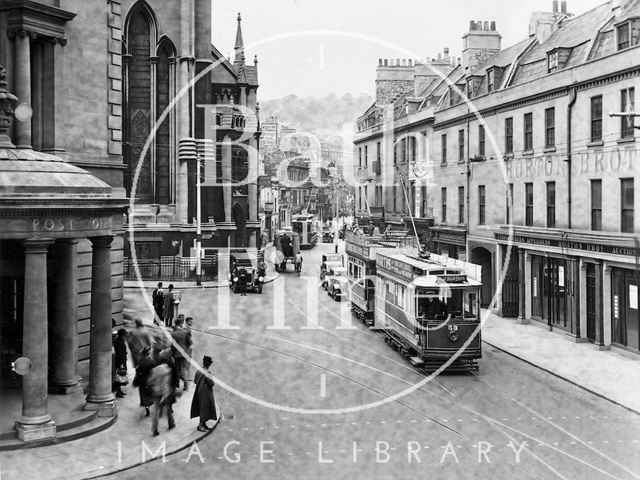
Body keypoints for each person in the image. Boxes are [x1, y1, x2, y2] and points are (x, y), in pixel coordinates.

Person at [147, 348, 176, 436]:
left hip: (156, 392)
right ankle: (171, 423)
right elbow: (169, 382)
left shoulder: (155, 369)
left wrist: (153, 385)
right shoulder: (168, 370)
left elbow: (149, 381)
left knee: (156, 411)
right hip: (165, 392)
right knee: (168, 408)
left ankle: (155, 430)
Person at [190, 355, 217, 432]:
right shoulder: (207, 372)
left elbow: (195, 381)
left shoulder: (198, 370)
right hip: (206, 394)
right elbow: (211, 383)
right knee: (204, 409)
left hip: (199, 392)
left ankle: (204, 424)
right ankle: (200, 426)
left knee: (202, 408)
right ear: (209, 364)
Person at [133, 346, 155, 417]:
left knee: (143, 394)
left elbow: (138, 371)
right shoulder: (151, 361)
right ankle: (151, 402)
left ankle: (146, 407)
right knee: (150, 392)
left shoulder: (141, 361)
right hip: (150, 380)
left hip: (142, 380)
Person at [171, 317, 192, 391]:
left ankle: (176, 384)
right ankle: (186, 386)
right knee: (184, 369)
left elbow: (172, 345)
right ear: (180, 324)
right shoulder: (185, 332)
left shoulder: (173, 333)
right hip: (185, 353)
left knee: (176, 369)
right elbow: (189, 343)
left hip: (176, 354)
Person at [113, 328, 128, 398]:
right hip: (120, 361)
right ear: (122, 335)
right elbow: (119, 353)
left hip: (122, 360)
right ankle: (118, 391)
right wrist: (121, 364)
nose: (125, 336)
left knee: (121, 376)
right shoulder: (118, 341)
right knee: (119, 376)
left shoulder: (121, 340)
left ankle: (119, 391)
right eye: (124, 334)